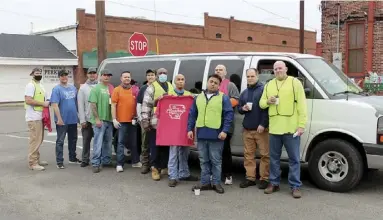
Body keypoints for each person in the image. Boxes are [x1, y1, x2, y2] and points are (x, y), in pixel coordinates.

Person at [259, 61, 308, 199]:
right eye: (275, 69)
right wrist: (268, 101)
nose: (278, 70)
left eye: (280, 68)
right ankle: (274, 183)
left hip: (291, 129)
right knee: (273, 158)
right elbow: (261, 104)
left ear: (286, 69)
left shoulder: (295, 83)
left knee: (294, 159)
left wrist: (301, 125)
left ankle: (295, 186)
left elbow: (302, 105)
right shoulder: (269, 85)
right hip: (274, 129)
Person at [188, 74, 234, 194]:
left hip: (217, 135)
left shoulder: (223, 98)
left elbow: (229, 115)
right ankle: (205, 182)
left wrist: (224, 131)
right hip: (202, 134)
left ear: (219, 86)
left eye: (216, 83)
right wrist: (189, 129)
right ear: (207, 82)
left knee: (216, 160)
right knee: (203, 160)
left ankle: (216, 183)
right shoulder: (198, 97)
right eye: (211, 81)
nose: (213, 84)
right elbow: (192, 114)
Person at [238, 68, 270, 189]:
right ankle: (250, 178)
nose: (250, 78)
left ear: (257, 76)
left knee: (265, 155)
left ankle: (264, 179)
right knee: (248, 155)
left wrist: (263, 124)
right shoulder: (244, 92)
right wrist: (243, 109)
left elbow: (267, 109)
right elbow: (239, 108)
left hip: (261, 129)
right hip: (247, 129)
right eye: (248, 76)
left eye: (252, 76)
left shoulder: (263, 90)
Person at [141, 67, 174, 181]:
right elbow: (146, 105)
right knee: (155, 147)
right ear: (156, 75)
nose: (163, 74)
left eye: (165, 73)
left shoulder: (171, 86)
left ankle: (164, 167)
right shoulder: (151, 87)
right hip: (155, 122)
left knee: (166, 146)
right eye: (160, 73)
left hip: (168, 123)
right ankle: (155, 168)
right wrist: (145, 121)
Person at [167, 74, 199, 187]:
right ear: (174, 82)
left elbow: (194, 110)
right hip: (174, 129)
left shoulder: (189, 95)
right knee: (174, 152)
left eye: (182, 80)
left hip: (185, 128)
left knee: (185, 152)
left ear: (185, 82)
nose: (180, 81)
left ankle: (184, 173)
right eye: (178, 80)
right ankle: (173, 176)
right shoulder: (169, 96)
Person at [111, 71, 141, 173]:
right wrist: (114, 119)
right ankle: (119, 164)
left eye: (128, 77)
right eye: (125, 77)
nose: (127, 79)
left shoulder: (134, 90)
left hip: (132, 120)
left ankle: (135, 161)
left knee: (134, 142)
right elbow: (113, 105)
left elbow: (137, 104)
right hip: (121, 121)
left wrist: (137, 117)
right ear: (121, 79)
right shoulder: (117, 90)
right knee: (121, 142)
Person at [50, 70, 81, 169]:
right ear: (59, 77)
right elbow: (54, 105)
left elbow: (76, 103)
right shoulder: (56, 89)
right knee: (60, 141)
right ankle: (59, 161)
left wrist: (79, 117)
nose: (64, 77)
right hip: (62, 120)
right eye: (62, 76)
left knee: (73, 139)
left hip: (73, 119)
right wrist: (59, 119)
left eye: (65, 76)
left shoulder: (73, 88)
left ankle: (72, 158)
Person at [214, 64, 239, 185]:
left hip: (226, 123)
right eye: (216, 70)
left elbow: (236, 99)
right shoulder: (212, 84)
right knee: (214, 151)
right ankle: (216, 174)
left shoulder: (230, 85)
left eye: (221, 70)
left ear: (225, 72)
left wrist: (222, 104)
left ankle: (228, 175)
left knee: (225, 150)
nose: (218, 71)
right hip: (213, 123)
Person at [88, 69, 115, 173]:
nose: (106, 77)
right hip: (100, 120)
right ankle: (95, 163)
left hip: (109, 120)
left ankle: (106, 160)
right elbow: (93, 105)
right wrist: (97, 119)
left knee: (108, 142)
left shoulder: (111, 87)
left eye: (108, 75)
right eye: (104, 75)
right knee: (98, 142)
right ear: (100, 76)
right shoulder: (96, 89)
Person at [24, 68, 50, 171]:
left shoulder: (40, 85)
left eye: (40, 73)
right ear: (32, 74)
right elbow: (28, 100)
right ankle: (33, 163)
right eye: (36, 73)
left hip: (40, 116)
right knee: (35, 140)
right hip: (33, 117)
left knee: (39, 139)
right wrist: (43, 104)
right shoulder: (30, 85)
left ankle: (36, 159)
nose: (39, 74)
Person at [137, 69, 157, 174]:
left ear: (155, 76)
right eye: (148, 75)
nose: (150, 77)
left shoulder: (158, 87)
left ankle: (155, 164)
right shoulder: (144, 88)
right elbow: (139, 104)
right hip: (145, 120)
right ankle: (145, 164)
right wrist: (141, 119)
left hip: (156, 121)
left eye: (152, 75)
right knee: (145, 143)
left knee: (155, 143)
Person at [77, 67, 98, 167]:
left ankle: (98, 159)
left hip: (98, 118)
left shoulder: (100, 86)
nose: (92, 75)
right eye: (90, 73)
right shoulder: (83, 88)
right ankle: (85, 159)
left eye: (94, 73)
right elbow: (80, 105)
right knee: (86, 140)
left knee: (98, 141)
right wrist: (82, 120)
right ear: (87, 75)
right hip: (88, 119)